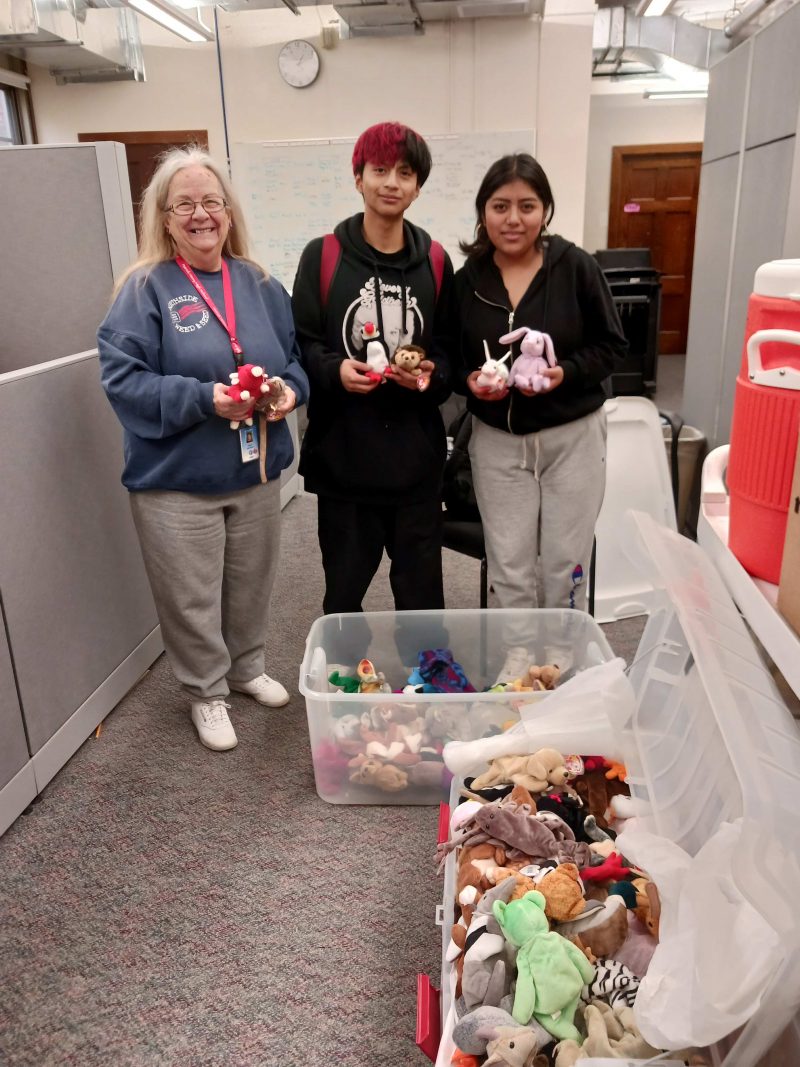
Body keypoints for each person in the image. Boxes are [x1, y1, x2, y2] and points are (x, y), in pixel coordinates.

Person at [97, 146, 309, 752]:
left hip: (256, 469)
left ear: (228, 211)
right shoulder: (143, 289)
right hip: (176, 481)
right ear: (165, 218)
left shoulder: (260, 283)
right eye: (184, 204)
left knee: (251, 581)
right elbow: (124, 381)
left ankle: (245, 669)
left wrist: (287, 394)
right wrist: (204, 399)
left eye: (211, 202)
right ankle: (205, 692)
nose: (200, 215)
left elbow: (294, 360)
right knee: (191, 595)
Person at [450, 153, 627, 611]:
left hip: (573, 440)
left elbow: (611, 346)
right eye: (500, 206)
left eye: (526, 206)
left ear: (545, 210)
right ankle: (519, 674)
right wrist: (470, 380)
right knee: (509, 566)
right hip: (497, 443)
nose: (513, 219)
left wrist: (564, 373)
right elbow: (447, 357)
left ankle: (563, 670)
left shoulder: (575, 267)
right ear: (482, 212)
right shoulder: (467, 281)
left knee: (565, 565)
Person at [292, 121, 453, 616]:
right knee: (343, 595)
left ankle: (426, 682)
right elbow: (301, 344)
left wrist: (426, 377)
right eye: (379, 169)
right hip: (345, 461)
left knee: (422, 595)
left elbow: (450, 357)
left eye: (404, 173)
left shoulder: (437, 261)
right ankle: (344, 679)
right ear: (358, 177)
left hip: (416, 465)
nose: (391, 182)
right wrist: (335, 370)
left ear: (418, 186)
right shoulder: (324, 256)